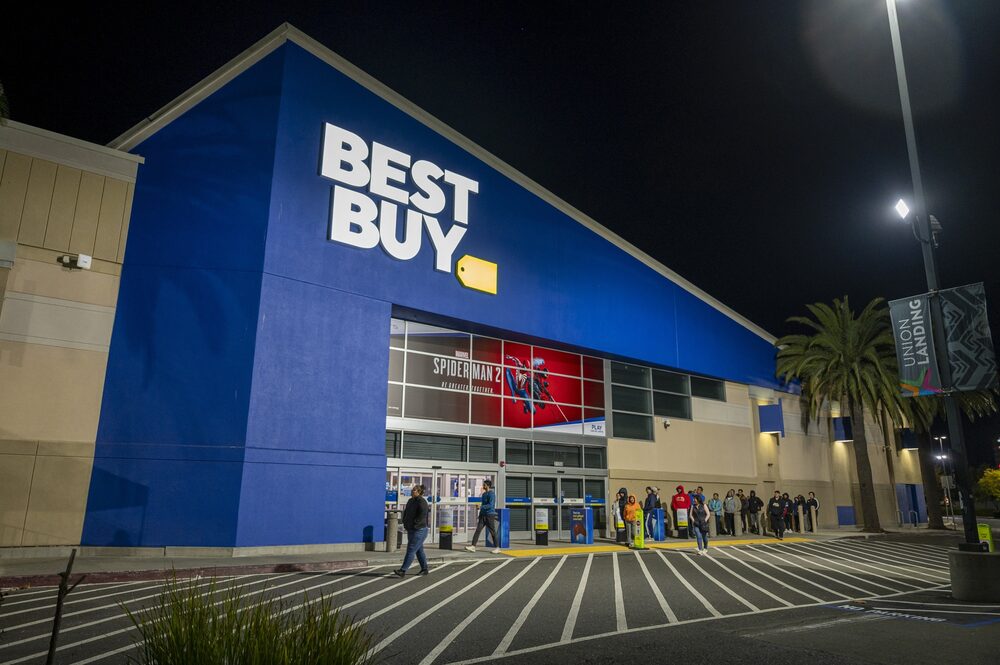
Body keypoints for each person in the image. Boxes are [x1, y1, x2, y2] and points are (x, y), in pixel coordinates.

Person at [395, 484, 430, 577]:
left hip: (419, 530)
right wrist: (405, 522)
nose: (412, 491)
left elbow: (422, 514)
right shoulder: (410, 501)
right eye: (412, 490)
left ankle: (403, 570)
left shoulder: (422, 502)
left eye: (414, 490)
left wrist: (415, 524)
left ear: (419, 492)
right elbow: (406, 512)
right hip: (411, 529)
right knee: (419, 550)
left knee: (411, 549)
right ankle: (424, 569)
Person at [465, 479, 501, 554]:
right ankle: (473, 546)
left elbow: (490, 505)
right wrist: (480, 513)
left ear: (488, 486)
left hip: (489, 515)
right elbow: (483, 504)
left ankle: (497, 548)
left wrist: (481, 506)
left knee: (492, 532)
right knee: (478, 530)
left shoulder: (491, 494)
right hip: (483, 515)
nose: (483, 486)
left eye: (484, 485)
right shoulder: (484, 494)